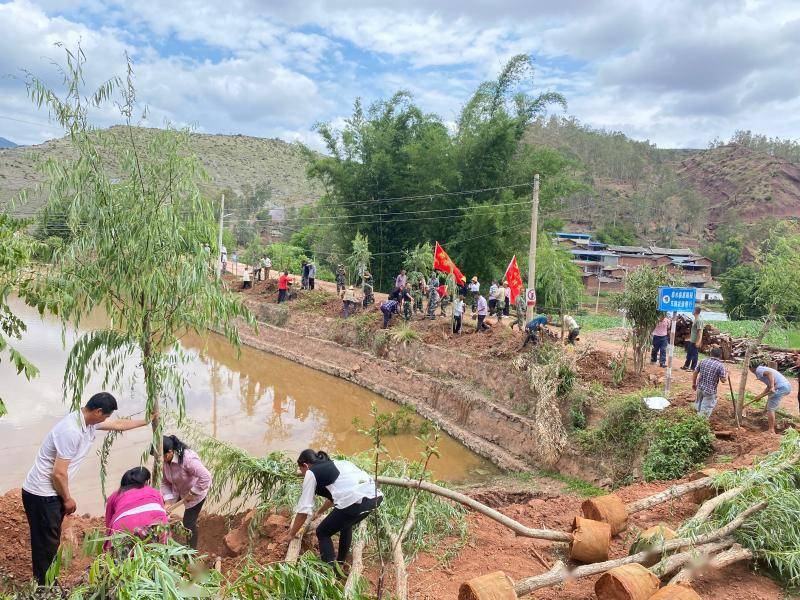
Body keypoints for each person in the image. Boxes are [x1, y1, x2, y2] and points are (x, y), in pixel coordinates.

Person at [22, 393, 155, 585]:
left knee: (48, 539)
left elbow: (118, 425)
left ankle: (46, 580)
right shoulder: (71, 431)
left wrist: (146, 421)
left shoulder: (88, 421)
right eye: (106, 416)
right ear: (98, 411)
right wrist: (67, 499)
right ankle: (45, 587)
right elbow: (58, 473)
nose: (107, 420)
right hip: (42, 494)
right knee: (46, 542)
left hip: (50, 492)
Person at [286, 449, 382, 567]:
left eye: (302, 471)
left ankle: (329, 573)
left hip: (356, 502)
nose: (303, 475)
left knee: (322, 532)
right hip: (375, 498)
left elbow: (303, 511)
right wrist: (319, 512)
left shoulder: (311, 472)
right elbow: (334, 496)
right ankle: (340, 562)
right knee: (346, 525)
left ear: (305, 465)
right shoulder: (339, 463)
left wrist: (291, 534)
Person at [160, 435, 212, 549]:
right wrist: (168, 501)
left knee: (188, 523)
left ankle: (191, 551)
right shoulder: (164, 461)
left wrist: (193, 492)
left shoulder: (188, 459)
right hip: (178, 490)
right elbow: (164, 482)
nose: (159, 460)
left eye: (161, 456)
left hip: (196, 492)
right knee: (161, 507)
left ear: (169, 452)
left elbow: (206, 477)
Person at [104, 466, 168, 550]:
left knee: (124, 559)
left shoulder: (115, 495)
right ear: (146, 481)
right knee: (158, 554)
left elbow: (109, 523)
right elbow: (163, 512)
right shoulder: (154, 492)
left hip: (123, 527)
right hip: (157, 524)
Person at [749, 360, 793, 435]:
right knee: (770, 398)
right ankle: (763, 413)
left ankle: (771, 430)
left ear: (751, 368)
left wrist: (773, 386)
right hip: (785, 386)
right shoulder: (761, 369)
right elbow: (769, 386)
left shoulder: (758, 370)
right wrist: (760, 396)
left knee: (771, 408)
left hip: (780, 387)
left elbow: (770, 374)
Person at [692, 347, 728, 417]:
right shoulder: (720, 365)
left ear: (710, 354)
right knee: (705, 411)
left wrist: (694, 383)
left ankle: (694, 420)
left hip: (700, 388)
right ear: (720, 356)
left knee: (698, 406)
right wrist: (727, 374)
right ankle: (699, 424)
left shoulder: (703, 361)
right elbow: (723, 380)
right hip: (710, 392)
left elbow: (695, 372)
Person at [681, 307, 704, 371]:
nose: (692, 311)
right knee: (689, 353)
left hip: (695, 341)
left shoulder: (699, 320)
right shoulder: (696, 319)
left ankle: (693, 368)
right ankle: (686, 366)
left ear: (696, 311)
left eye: (693, 310)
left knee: (694, 355)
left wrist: (698, 341)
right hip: (692, 340)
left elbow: (700, 332)